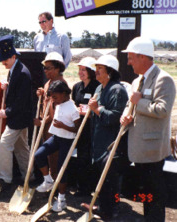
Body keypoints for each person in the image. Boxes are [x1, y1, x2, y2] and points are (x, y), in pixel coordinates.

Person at [121, 37, 176, 222]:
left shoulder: (164, 80)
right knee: (146, 190)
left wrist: (140, 102)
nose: (128, 62)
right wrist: (126, 117)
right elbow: (132, 107)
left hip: (153, 150)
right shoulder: (137, 81)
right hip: (139, 148)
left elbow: (163, 110)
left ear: (143, 57)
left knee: (155, 192)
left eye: (131, 58)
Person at [80, 55, 129, 220]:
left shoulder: (117, 90)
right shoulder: (99, 89)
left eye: (100, 69)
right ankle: (102, 206)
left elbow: (115, 117)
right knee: (103, 177)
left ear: (110, 72)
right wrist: (90, 109)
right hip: (99, 141)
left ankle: (112, 210)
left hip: (111, 144)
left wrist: (96, 110)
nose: (96, 72)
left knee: (110, 180)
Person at [0, 35, 32, 186]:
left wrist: (6, 112)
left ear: (13, 56)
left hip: (18, 117)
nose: (3, 63)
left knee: (4, 144)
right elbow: (15, 92)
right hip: (19, 117)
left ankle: (5, 178)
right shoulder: (14, 70)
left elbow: (21, 101)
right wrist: (7, 87)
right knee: (21, 148)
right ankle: (29, 175)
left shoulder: (22, 73)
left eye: (5, 59)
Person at [34, 80, 80, 212]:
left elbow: (77, 130)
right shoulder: (58, 103)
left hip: (67, 140)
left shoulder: (72, 109)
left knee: (61, 169)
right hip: (56, 137)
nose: (53, 100)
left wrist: (63, 126)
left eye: (55, 97)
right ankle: (48, 180)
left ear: (64, 93)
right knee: (39, 155)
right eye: (52, 97)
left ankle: (62, 199)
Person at [34, 52, 67, 179]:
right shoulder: (49, 83)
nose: (45, 70)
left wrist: (42, 122)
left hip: (54, 129)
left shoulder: (60, 85)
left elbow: (57, 112)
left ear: (57, 68)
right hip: (47, 127)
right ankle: (50, 183)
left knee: (54, 158)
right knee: (48, 157)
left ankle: (56, 186)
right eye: (44, 68)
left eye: (48, 68)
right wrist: (43, 93)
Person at [71, 57, 100, 196]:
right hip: (81, 127)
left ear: (91, 71)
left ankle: (93, 187)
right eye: (79, 70)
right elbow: (74, 104)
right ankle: (82, 188)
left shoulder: (97, 87)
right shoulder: (77, 87)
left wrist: (90, 113)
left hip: (93, 127)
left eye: (84, 70)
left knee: (92, 157)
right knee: (82, 156)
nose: (80, 73)